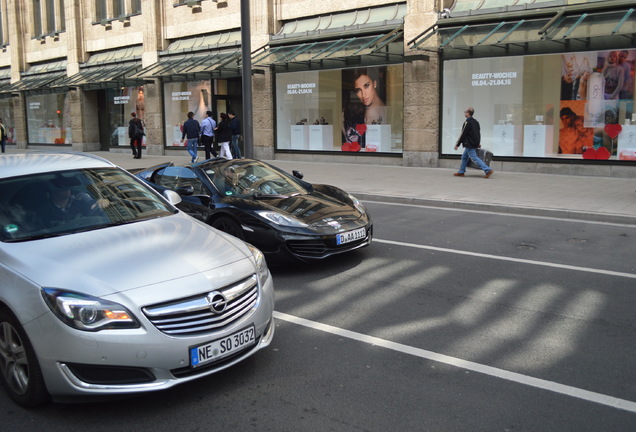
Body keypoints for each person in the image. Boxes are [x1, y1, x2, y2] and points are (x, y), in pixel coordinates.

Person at [44, 176, 109, 226]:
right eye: (63, 188)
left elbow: (92, 207)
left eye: (68, 187)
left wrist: (101, 203)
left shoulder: (81, 200)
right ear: (54, 191)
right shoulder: (44, 210)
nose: (67, 190)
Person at [453, 107, 494, 178]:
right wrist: (477, 143)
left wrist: (457, 144)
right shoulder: (476, 122)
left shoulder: (467, 122)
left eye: (465, 112)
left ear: (468, 113)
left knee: (474, 157)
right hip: (473, 143)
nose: (464, 113)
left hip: (469, 143)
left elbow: (463, 134)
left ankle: (487, 170)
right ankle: (461, 171)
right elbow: (477, 133)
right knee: (464, 156)